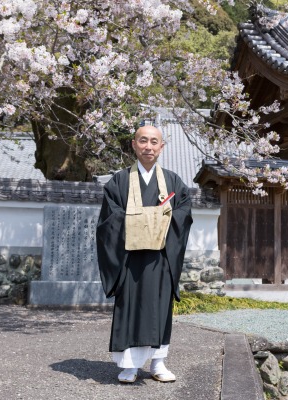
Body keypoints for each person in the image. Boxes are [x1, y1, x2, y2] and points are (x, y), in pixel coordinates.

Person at [96, 125, 193, 384]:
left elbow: (184, 210)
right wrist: (138, 220)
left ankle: (159, 363)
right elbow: (109, 218)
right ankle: (129, 366)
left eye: (154, 142)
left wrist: (162, 219)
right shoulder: (119, 180)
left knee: (159, 308)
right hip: (130, 257)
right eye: (143, 141)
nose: (148, 146)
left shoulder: (173, 181)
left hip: (160, 257)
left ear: (161, 147)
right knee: (130, 307)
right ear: (134, 145)